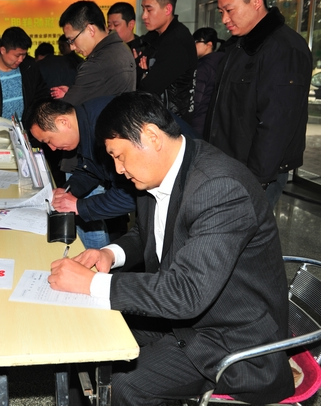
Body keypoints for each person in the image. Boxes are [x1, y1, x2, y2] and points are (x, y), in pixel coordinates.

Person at [47, 91, 294, 405]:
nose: (118, 169)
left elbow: (185, 293)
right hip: (183, 318)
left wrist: (92, 283)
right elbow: (145, 234)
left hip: (231, 338)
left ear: (152, 136)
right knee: (86, 330)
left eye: (119, 156)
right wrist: (109, 253)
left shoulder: (220, 187)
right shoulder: (157, 173)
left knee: (123, 385)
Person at [205, 0, 312, 208]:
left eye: (229, 10)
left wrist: (255, 182)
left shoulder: (284, 48)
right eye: (221, 12)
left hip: (255, 175)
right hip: (228, 164)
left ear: (255, 2)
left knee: (245, 230)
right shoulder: (237, 44)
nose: (224, 19)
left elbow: (277, 124)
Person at [27, 97, 136, 248]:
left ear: (63, 122)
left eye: (48, 141)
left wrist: (79, 206)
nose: (52, 148)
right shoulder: (86, 122)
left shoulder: (107, 126)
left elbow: (130, 195)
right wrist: (68, 191)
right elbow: (91, 170)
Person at [0, 27, 48, 149]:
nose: (21, 59)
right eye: (17, 55)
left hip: (28, 137)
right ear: (3, 50)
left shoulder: (30, 68)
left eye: (24, 55)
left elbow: (42, 96)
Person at [51, 0, 136, 106]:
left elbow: (67, 107)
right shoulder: (121, 48)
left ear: (90, 30)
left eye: (72, 40)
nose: (72, 47)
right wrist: (74, 91)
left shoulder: (98, 63)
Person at [136, 0, 197, 124]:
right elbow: (136, 72)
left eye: (149, 10)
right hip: (159, 118)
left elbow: (148, 88)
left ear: (167, 9)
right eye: (143, 9)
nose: (144, 16)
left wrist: (145, 73)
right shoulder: (155, 37)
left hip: (174, 123)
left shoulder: (177, 41)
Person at [192, 27, 224, 136]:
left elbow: (196, 99)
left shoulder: (204, 67)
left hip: (198, 122)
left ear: (209, 44)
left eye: (197, 41)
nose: (193, 45)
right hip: (212, 120)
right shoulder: (221, 63)